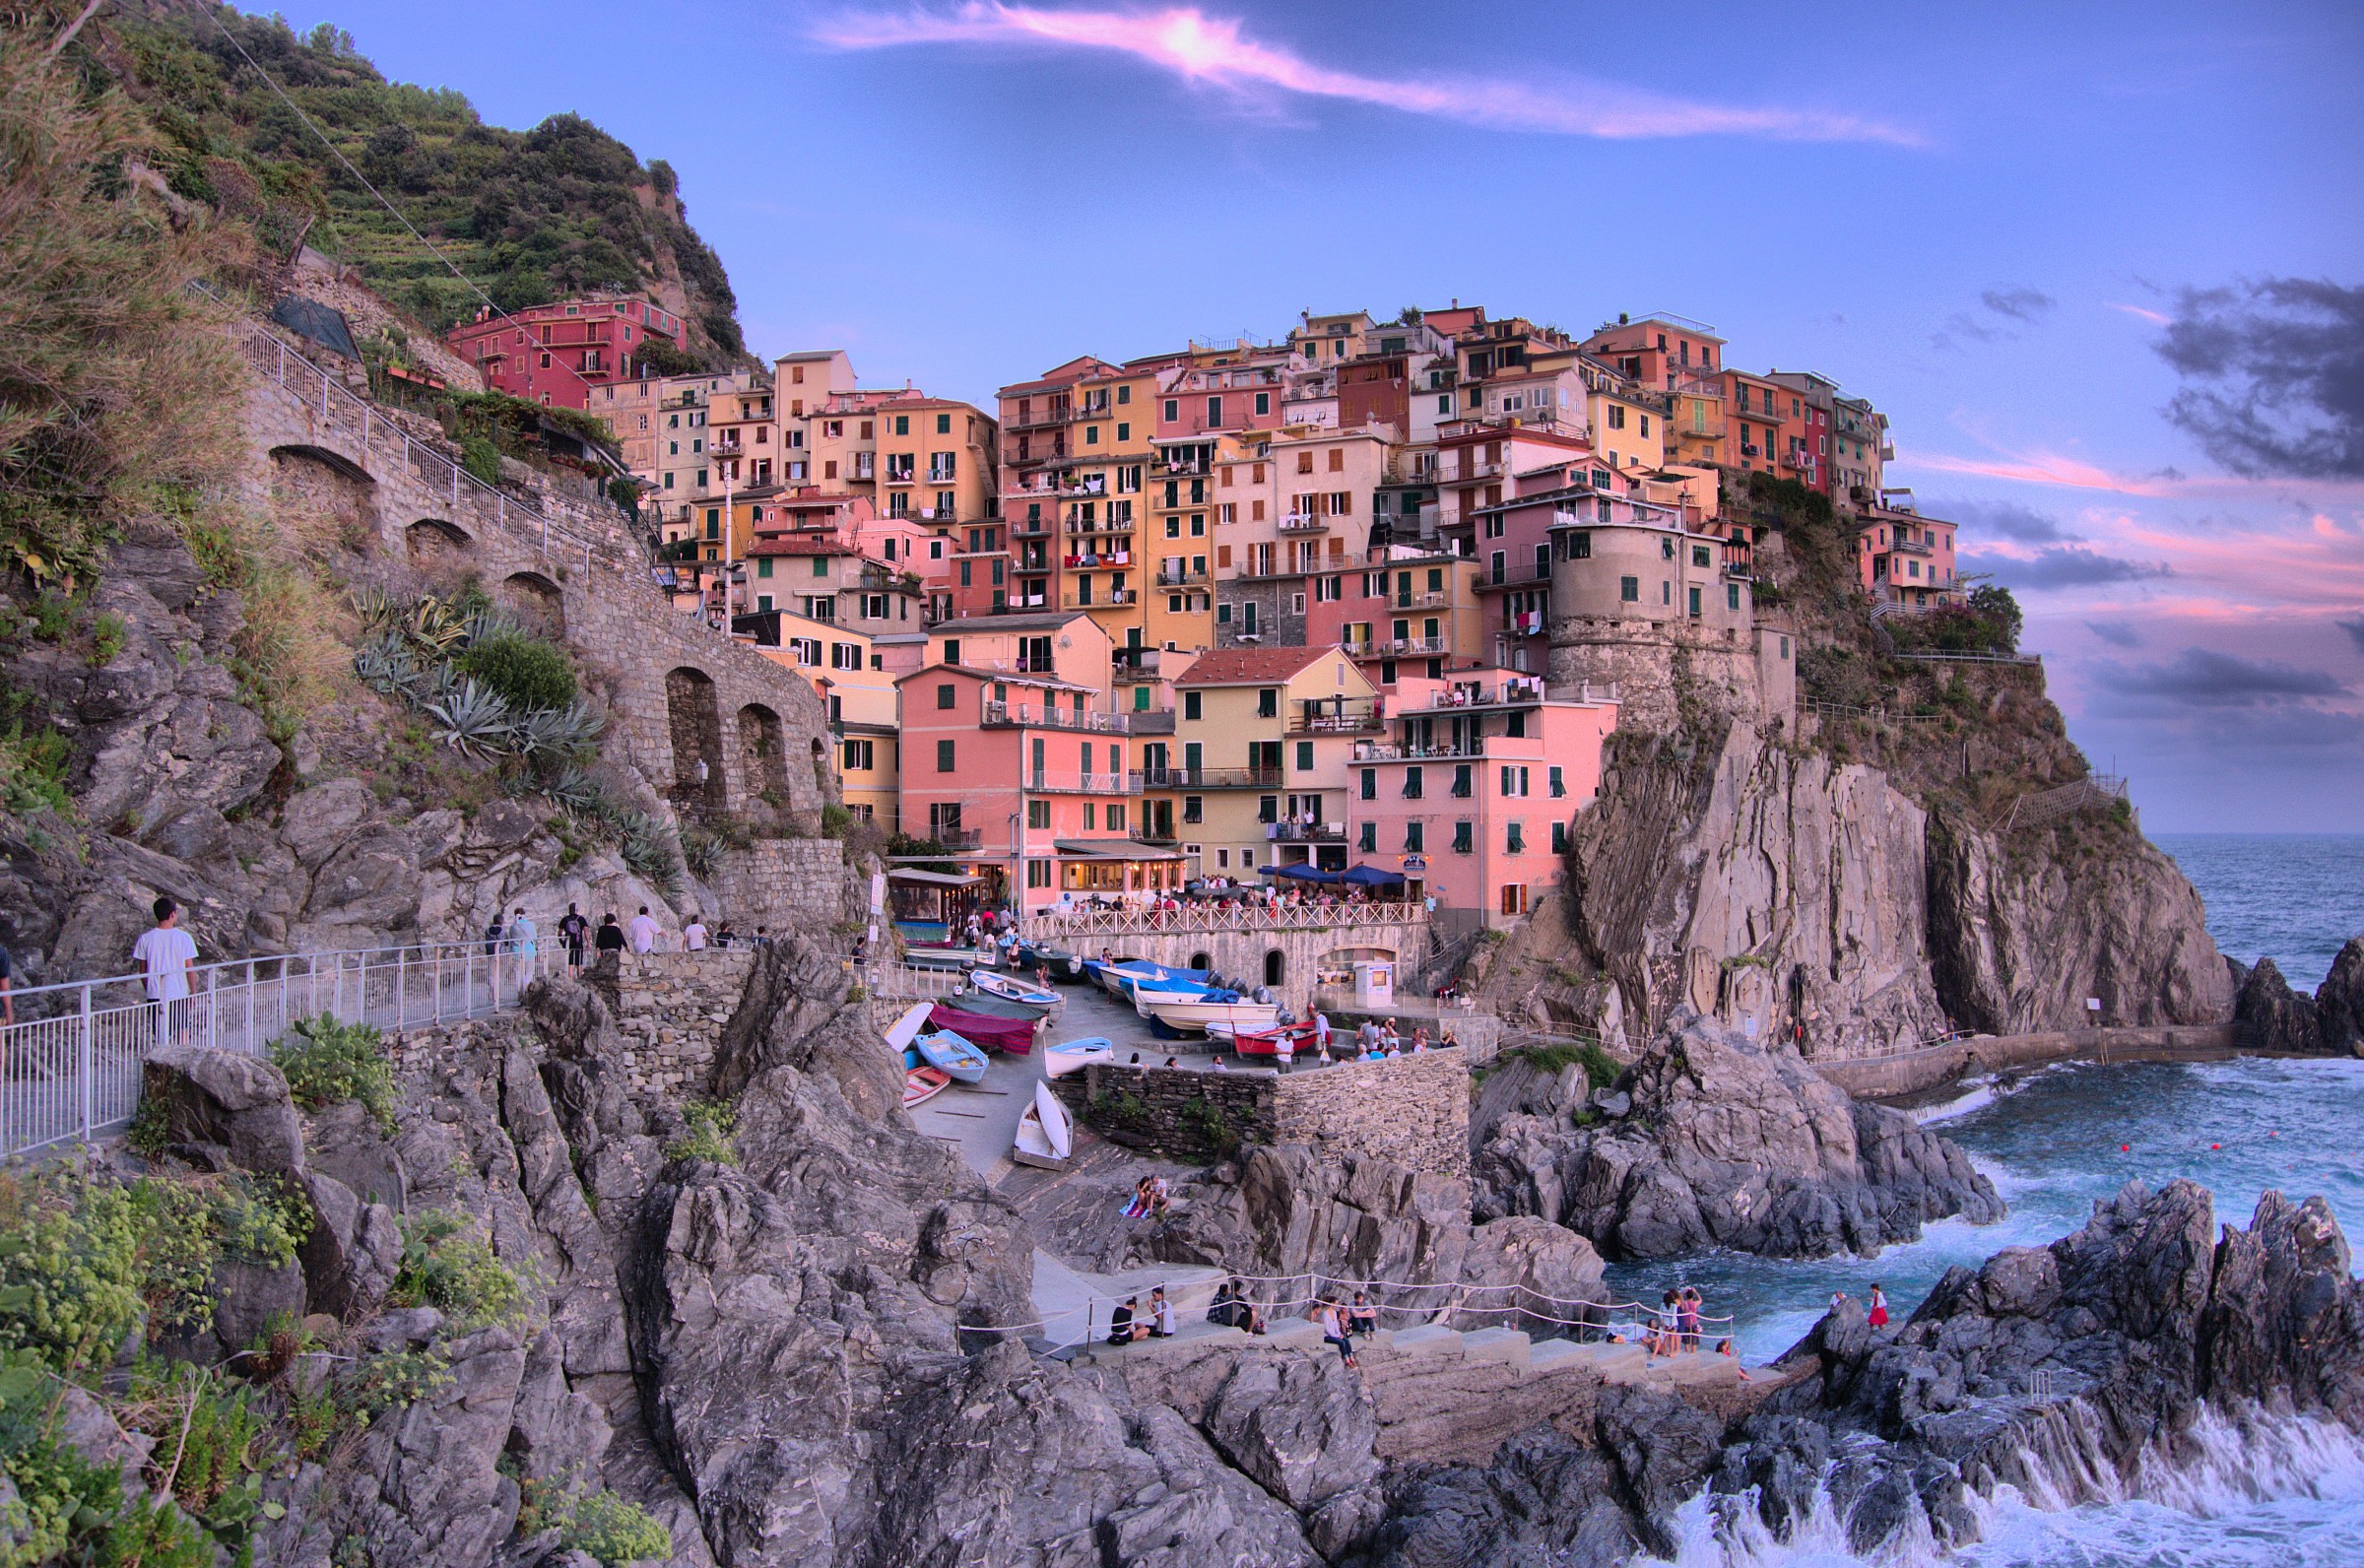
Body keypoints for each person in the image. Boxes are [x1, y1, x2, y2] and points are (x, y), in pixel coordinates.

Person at [132, 896, 199, 1048]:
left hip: (155, 994)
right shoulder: (184, 937)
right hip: (178, 992)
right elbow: (189, 968)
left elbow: (143, 971)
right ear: (172, 914)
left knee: (161, 1034)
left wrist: (150, 988)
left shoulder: (145, 939)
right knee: (182, 1031)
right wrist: (193, 992)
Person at [1320, 1297, 1358, 1370]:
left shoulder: (1334, 1313)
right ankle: (1347, 1361)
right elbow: (1326, 1328)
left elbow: (1335, 1325)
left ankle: (1351, 1358)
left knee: (1346, 1340)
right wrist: (1336, 1335)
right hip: (1327, 1335)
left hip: (1335, 1334)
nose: (1337, 1306)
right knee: (1341, 1342)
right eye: (1336, 1304)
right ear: (1331, 1303)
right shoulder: (1325, 1314)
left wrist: (1339, 1333)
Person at [508, 906, 537, 994]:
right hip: (530, 951)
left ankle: (519, 993)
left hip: (517, 952)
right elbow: (534, 937)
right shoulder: (530, 924)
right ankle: (526, 991)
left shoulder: (513, 926)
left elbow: (511, 938)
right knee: (529, 972)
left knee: (518, 973)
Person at [559, 903, 589, 977]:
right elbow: (586, 931)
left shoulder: (565, 919)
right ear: (576, 909)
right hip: (578, 942)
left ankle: (570, 980)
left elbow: (559, 933)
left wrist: (562, 942)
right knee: (579, 962)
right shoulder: (581, 919)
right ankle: (580, 978)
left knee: (570, 963)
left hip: (569, 943)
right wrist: (588, 942)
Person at [1678, 1287, 1702, 1353]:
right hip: (1694, 1323)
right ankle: (1693, 1353)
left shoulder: (1684, 1303)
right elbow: (1700, 1300)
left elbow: (1678, 1298)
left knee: (1686, 1341)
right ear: (1692, 1296)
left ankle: (1687, 1354)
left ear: (1686, 1295)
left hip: (1686, 1323)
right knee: (1694, 1341)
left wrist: (1683, 1292)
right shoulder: (1694, 1304)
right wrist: (1696, 1292)